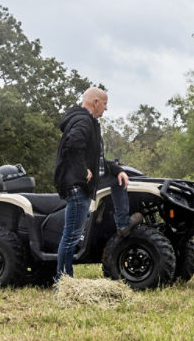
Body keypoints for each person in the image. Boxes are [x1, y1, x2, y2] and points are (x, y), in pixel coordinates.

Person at [54, 87, 134, 280]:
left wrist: (118, 171)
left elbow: (98, 160)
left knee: (117, 181)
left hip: (83, 183)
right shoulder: (83, 121)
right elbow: (72, 145)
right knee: (72, 235)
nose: (106, 109)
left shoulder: (89, 122)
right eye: (105, 103)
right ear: (95, 102)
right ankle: (63, 281)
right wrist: (82, 171)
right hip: (77, 185)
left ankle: (123, 224)